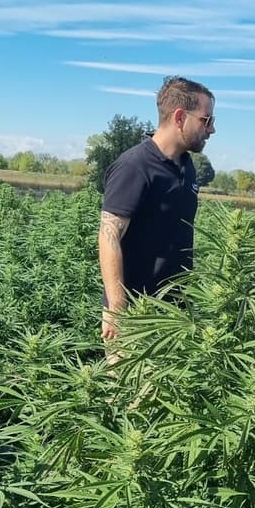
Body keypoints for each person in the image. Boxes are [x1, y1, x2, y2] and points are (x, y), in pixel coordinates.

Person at [98, 77, 215, 344]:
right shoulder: (135, 165)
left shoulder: (186, 166)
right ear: (179, 117)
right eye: (206, 120)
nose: (212, 129)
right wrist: (116, 307)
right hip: (135, 315)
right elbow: (108, 235)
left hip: (175, 312)